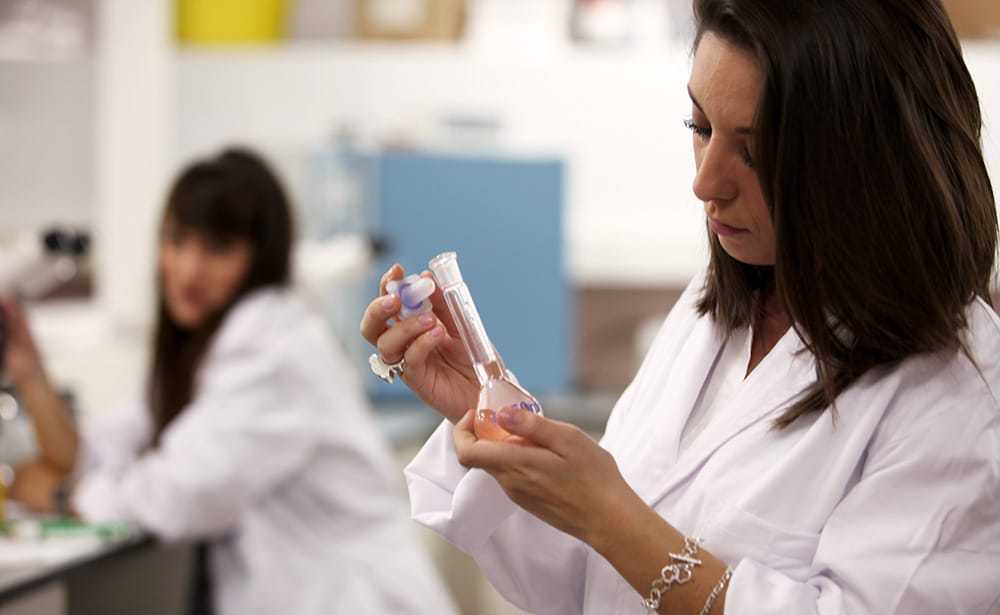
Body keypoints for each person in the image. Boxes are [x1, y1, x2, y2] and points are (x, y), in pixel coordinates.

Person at [360, 1, 1000, 613]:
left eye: (755, 152)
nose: (705, 182)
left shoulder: (957, 398)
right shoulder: (715, 309)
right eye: (701, 128)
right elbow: (591, 585)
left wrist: (610, 515)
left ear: (869, 161)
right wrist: (485, 407)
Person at [5, 148, 458, 615]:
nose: (189, 269)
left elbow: (181, 494)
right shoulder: (206, 351)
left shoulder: (274, 349)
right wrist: (30, 372)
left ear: (259, 257)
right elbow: (92, 451)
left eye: (217, 248)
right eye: (177, 241)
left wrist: (64, 497)